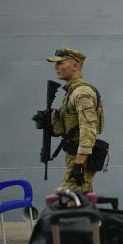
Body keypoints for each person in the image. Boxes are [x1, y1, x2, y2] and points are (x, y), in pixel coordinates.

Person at [46, 47, 104, 192]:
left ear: (75, 66)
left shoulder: (81, 92)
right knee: (82, 201)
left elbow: (88, 128)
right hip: (75, 155)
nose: (56, 67)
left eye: (60, 63)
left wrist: (79, 164)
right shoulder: (72, 92)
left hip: (80, 158)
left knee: (69, 201)